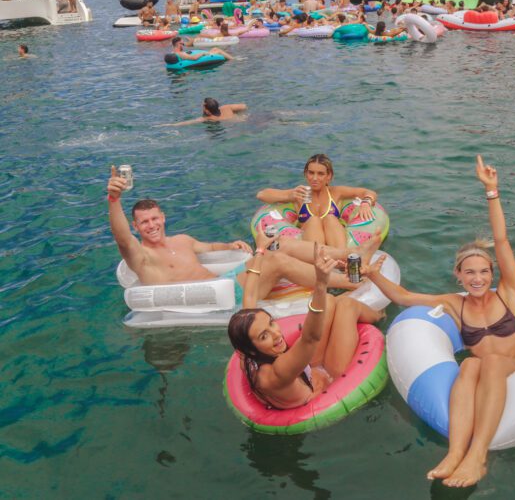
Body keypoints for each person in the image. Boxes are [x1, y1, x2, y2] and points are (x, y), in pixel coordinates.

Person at [360, 156, 515, 486]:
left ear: (492, 274)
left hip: (513, 366)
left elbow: (502, 240)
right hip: (484, 372)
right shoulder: (454, 303)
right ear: (458, 276)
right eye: (470, 273)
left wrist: (492, 191)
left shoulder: (508, 292)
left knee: (489, 361)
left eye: (483, 272)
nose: (477, 278)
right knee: (468, 366)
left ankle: (477, 457)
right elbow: (404, 298)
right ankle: (454, 454)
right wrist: (373, 275)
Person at [107, 167, 382, 296]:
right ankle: (349, 283)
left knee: (280, 245)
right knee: (273, 258)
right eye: (144, 223)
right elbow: (121, 238)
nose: (152, 226)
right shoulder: (140, 255)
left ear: (163, 217)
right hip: (212, 295)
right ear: (136, 227)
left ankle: (350, 255)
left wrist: (232, 244)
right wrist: (114, 199)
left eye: (155, 219)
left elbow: (210, 249)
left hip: (226, 280)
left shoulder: (181, 240)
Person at [227, 244, 385, 410]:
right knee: (347, 306)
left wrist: (259, 250)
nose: (275, 334)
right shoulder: (276, 373)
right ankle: (381, 315)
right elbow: (310, 338)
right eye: (264, 336)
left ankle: (369, 311)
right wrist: (321, 283)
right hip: (331, 377)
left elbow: (250, 296)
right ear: (251, 348)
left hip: (310, 370)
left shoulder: (246, 354)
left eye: (271, 323)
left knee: (330, 302)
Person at [256, 153, 379, 249]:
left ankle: (341, 261)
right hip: (310, 245)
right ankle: (319, 264)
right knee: (314, 220)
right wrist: (288, 195)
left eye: (320, 174)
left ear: (329, 176)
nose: (315, 178)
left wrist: (365, 203)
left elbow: (368, 192)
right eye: (311, 173)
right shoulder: (299, 194)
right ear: (305, 174)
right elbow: (262, 195)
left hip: (335, 240)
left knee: (330, 218)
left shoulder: (336, 192)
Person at [161, 97, 248, 126]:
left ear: (207, 111)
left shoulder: (208, 119)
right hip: (243, 120)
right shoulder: (227, 108)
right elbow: (244, 106)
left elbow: (186, 123)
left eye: (203, 106)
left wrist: (169, 125)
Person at [170, 36, 234, 62]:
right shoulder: (180, 53)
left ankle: (231, 58)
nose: (183, 45)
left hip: (194, 56)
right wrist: (202, 53)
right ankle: (233, 59)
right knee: (217, 50)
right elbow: (194, 58)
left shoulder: (173, 52)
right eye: (182, 43)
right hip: (198, 58)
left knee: (215, 48)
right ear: (178, 43)